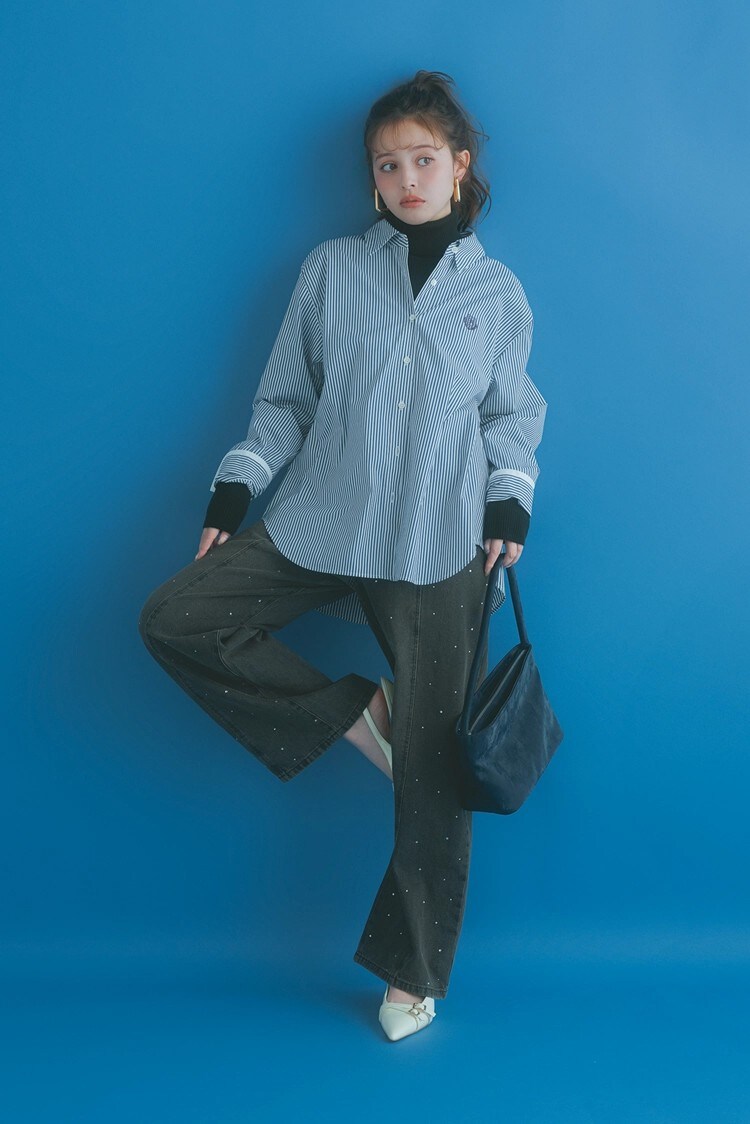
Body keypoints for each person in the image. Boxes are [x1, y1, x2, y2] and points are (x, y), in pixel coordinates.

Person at [138, 69, 548, 1042]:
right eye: (386, 165)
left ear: (460, 165)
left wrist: (511, 503)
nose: (406, 179)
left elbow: (512, 414)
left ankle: (414, 972)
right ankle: (360, 713)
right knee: (175, 617)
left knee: (434, 770)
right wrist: (235, 489)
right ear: (372, 177)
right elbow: (284, 399)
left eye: (423, 160)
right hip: (325, 516)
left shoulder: (496, 294)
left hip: (442, 542)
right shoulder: (330, 270)